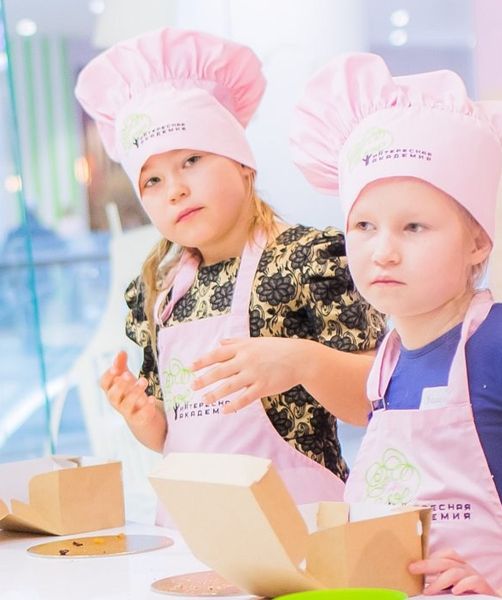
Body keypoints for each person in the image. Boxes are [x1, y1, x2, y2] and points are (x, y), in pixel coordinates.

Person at [288, 52, 502, 596]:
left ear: (478, 240)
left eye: (414, 226)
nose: (382, 252)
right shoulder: (388, 360)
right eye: (363, 225)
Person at [74, 28, 381, 504]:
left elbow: (372, 402)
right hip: (192, 532)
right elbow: (171, 436)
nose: (174, 189)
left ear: (243, 164)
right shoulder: (156, 290)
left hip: (299, 528)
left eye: (191, 160)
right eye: (152, 179)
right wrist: (143, 416)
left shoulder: (304, 259)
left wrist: (300, 360)